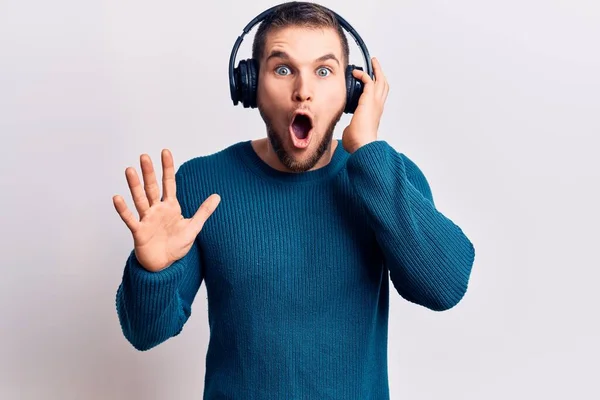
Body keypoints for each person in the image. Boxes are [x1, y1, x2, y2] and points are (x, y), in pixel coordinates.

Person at [112, 1, 475, 398]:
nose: (303, 91)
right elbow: (146, 333)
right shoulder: (203, 184)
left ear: (352, 92)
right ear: (250, 86)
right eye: (282, 69)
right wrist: (152, 271)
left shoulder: (385, 177)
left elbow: (444, 288)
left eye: (324, 71)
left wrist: (368, 151)